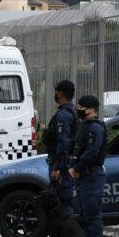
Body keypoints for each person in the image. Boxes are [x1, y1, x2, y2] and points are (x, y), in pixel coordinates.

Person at [68, 95, 107, 237]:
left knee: (92, 215)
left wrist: (76, 168)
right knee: (85, 215)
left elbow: (91, 152)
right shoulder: (85, 126)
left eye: (81, 107)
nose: (78, 110)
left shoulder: (95, 128)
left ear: (91, 109)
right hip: (84, 177)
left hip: (92, 176)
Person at [43, 80, 78, 219]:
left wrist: (56, 168)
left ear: (61, 93)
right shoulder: (72, 111)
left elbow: (63, 142)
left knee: (62, 203)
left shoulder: (64, 115)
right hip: (66, 164)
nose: (55, 95)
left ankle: (64, 231)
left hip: (62, 167)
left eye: (56, 92)